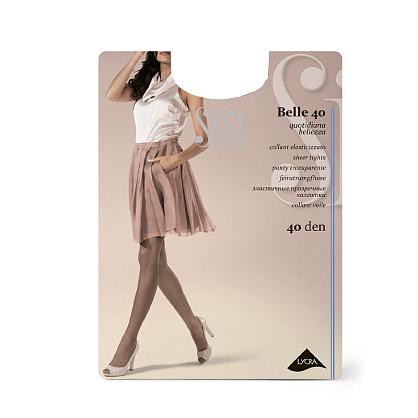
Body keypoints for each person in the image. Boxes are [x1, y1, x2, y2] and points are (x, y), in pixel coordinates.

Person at [102, 51, 216, 377]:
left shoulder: (188, 85)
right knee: (155, 262)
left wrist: (172, 161)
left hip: (164, 165)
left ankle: (128, 342)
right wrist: (138, 54)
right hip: (139, 163)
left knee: (147, 253)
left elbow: (204, 138)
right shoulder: (148, 82)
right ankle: (195, 326)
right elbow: (112, 94)